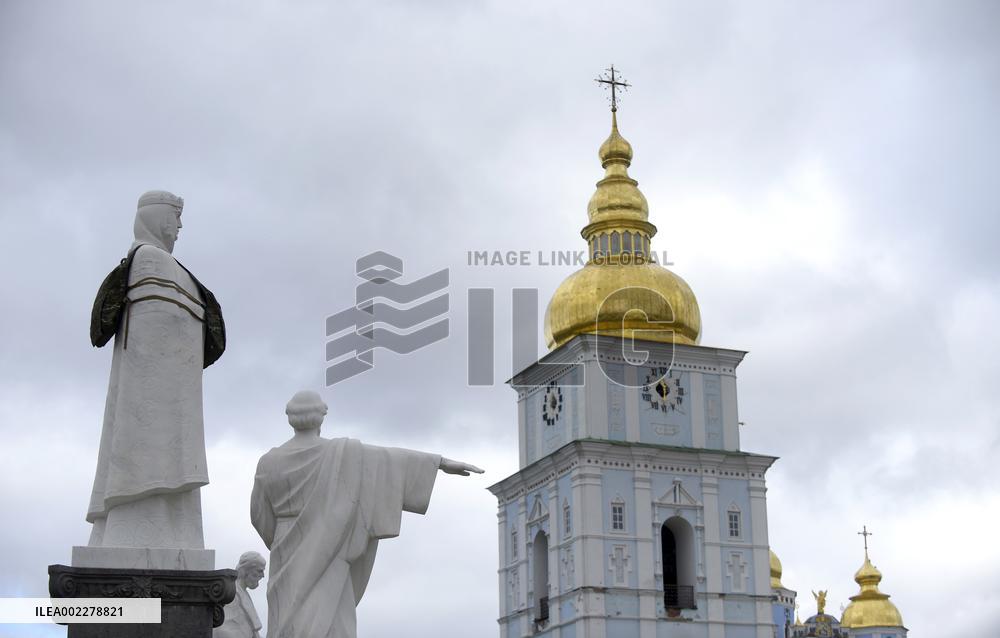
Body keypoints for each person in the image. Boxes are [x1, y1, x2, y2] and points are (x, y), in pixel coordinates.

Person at [251, 391, 483, 638]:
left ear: (290, 418)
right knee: (333, 625)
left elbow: (259, 517)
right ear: (322, 416)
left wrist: (283, 540)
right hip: (331, 549)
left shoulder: (268, 462)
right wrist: (440, 463)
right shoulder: (342, 453)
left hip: (286, 552)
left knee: (287, 624)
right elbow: (389, 461)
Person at [87, 190, 222, 549]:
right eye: (174, 218)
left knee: (168, 476)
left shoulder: (161, 264)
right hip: (153, 398)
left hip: (172, 396)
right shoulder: (149, 260)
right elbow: (157, 330)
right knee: (150, 464)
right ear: (157, 218)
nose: (179, 226)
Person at [215, 551, 266, 638]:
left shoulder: (242, 592)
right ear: (246, 570)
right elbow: (222, 629)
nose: (263, 575)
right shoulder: (232, 592)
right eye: (259, 570)